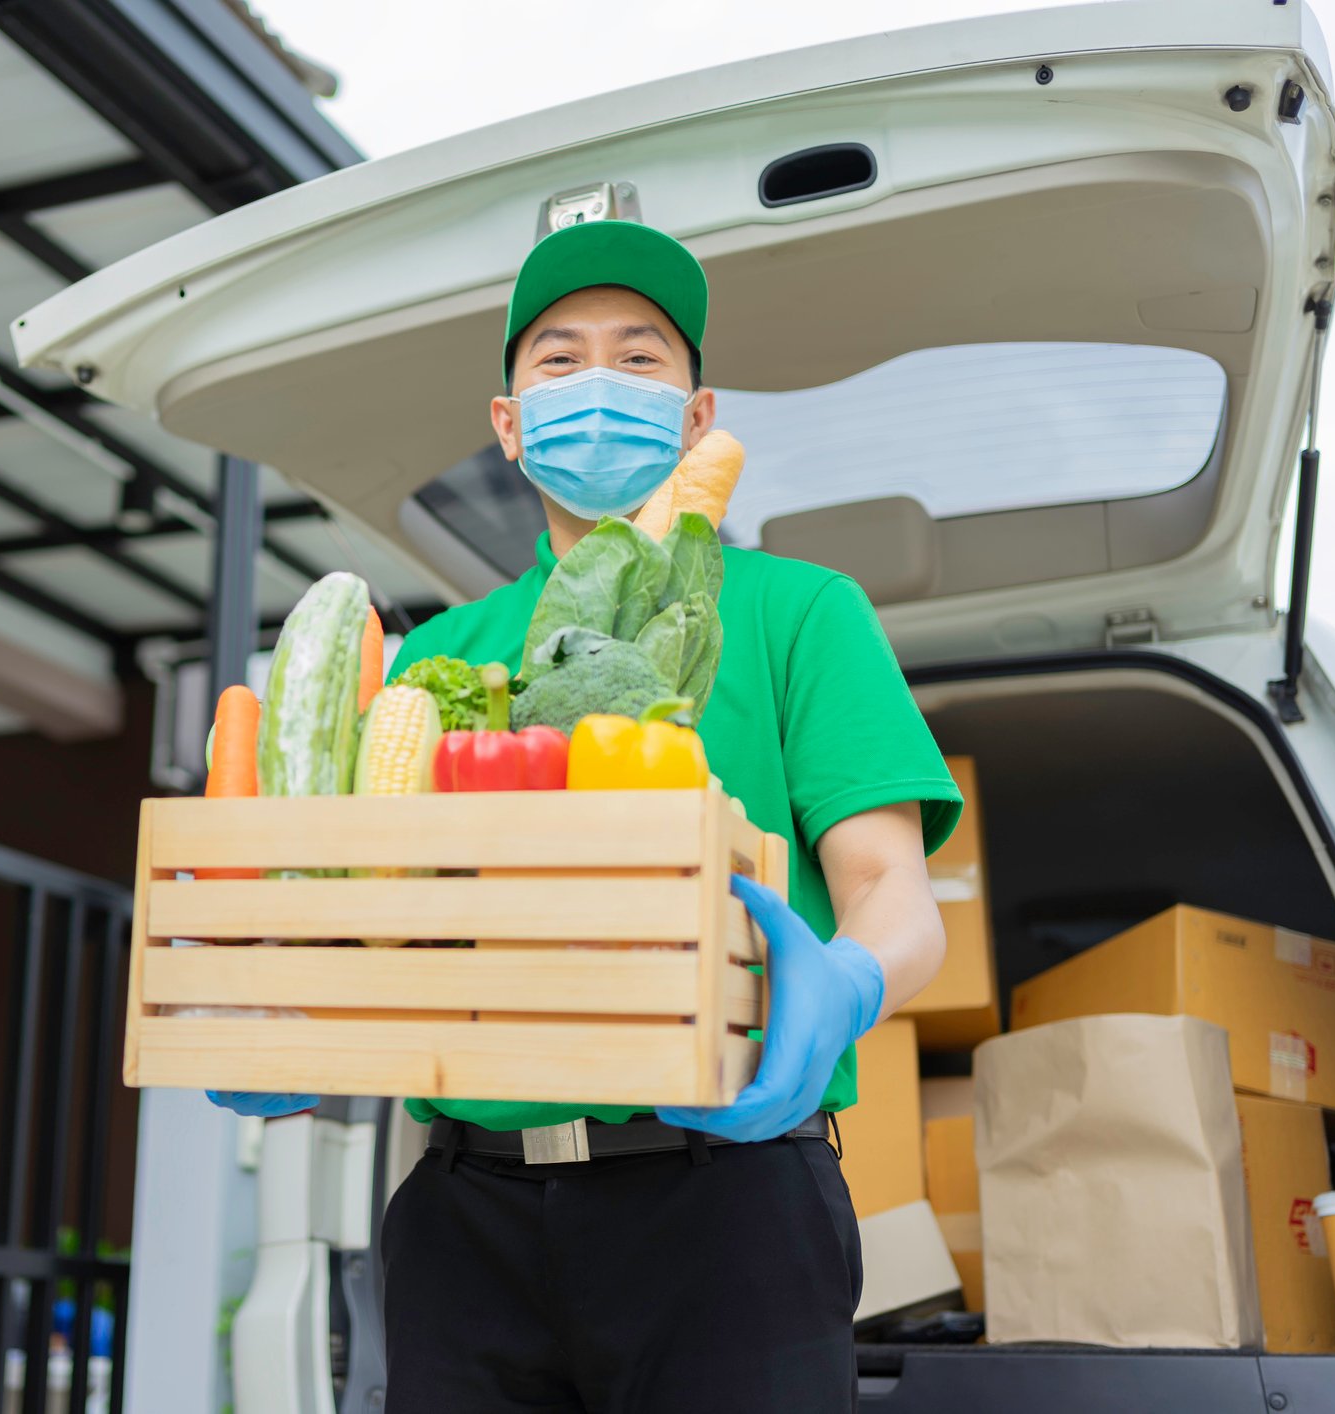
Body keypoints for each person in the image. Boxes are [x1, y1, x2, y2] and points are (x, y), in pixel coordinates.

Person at [210, 219, 961, 1410]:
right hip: (467, 1218)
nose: (597, 385)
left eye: (640, 358)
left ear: (698, 414)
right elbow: (363, 928)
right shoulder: (432, 658)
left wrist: (849, 987)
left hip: (730, 1200)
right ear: (508, 423)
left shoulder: (800, 611)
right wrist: (288, 1025)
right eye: (557, 362)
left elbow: (893, 893)